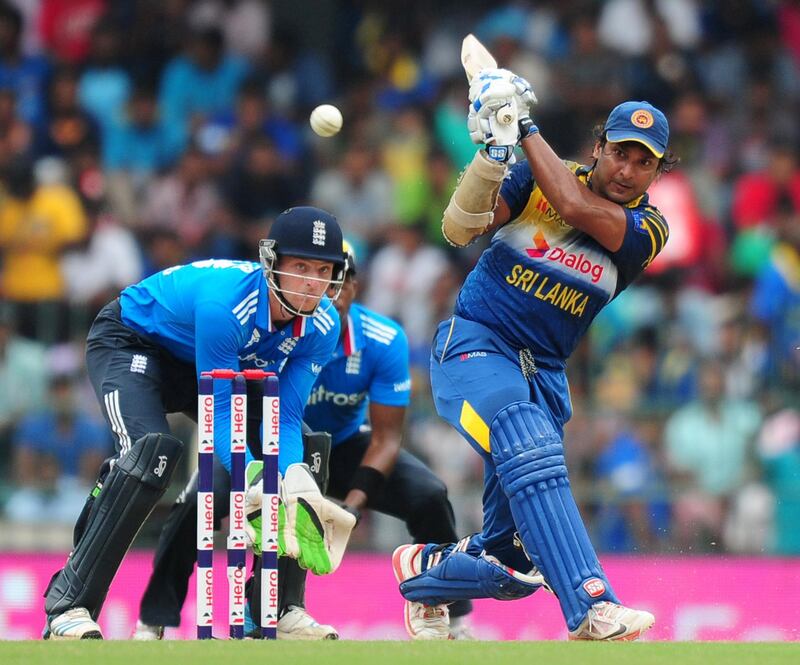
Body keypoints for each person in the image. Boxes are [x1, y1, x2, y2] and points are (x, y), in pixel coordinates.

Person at [392, 70, 674, 641]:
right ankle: (593, 607)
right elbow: (457, 228)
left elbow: (572, 205)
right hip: (473, 346)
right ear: (598, 146)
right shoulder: (534, 177)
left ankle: (424, 573)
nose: (627, 170)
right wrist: (492, 156)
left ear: (656, 171)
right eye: (619, 152)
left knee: (513, 557)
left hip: (542, 375)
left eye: (643, 162)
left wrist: (522, 126)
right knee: (526, 434)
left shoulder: (649, 227)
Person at [42, 206, 356, 640]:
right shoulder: (226, 306)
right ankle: (68, 607)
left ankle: (278, 606)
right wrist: (254, 484)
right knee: (150, 453)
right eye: (299, 266)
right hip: (135, 342)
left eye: (323, 270)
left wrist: (291, 478)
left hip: (206, 366)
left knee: (307, 452)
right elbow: (221, 413)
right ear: (272, 264)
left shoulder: (322, 326)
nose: (311, 282)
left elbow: (283, 415)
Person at [133, 242, 473, 640]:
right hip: (265, 442)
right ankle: (154, 617)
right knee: (197, 503)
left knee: (430, 494)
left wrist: (352, 505)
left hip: (343, 447)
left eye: (336, 279)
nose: (325, 291)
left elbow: (387, 437)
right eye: (312, 277)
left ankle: (453, 618)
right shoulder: (272, 328)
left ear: (354, 286)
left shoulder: (382, 340)